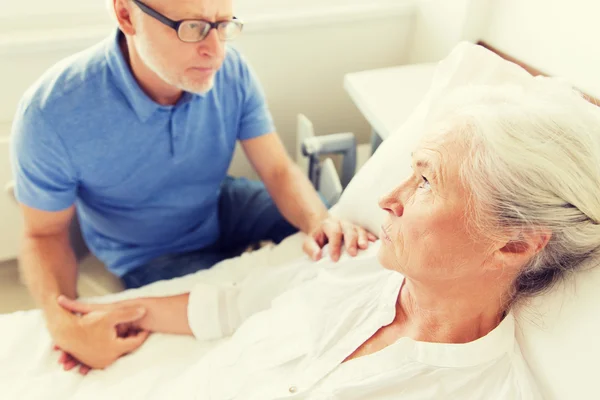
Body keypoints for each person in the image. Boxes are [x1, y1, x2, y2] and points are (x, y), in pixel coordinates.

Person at [57, 81, 600, 398]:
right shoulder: (359, 260)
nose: (390, 196)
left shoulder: (482, 390)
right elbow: (236, 303)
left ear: (514, 244)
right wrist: (126, 313)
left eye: (427, 181)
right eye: (410, 170)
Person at [10, 0, 374, 376]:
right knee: (228, 316)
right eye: (192, 28)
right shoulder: (51, 113)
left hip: (218, 204)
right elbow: (44, 233)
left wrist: (319, 220)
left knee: (344, 228)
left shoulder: (232, 72)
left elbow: (279, 170)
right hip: (151, 250)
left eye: (222, 24)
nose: (216, 52)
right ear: (125, 14)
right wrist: (63, 325)